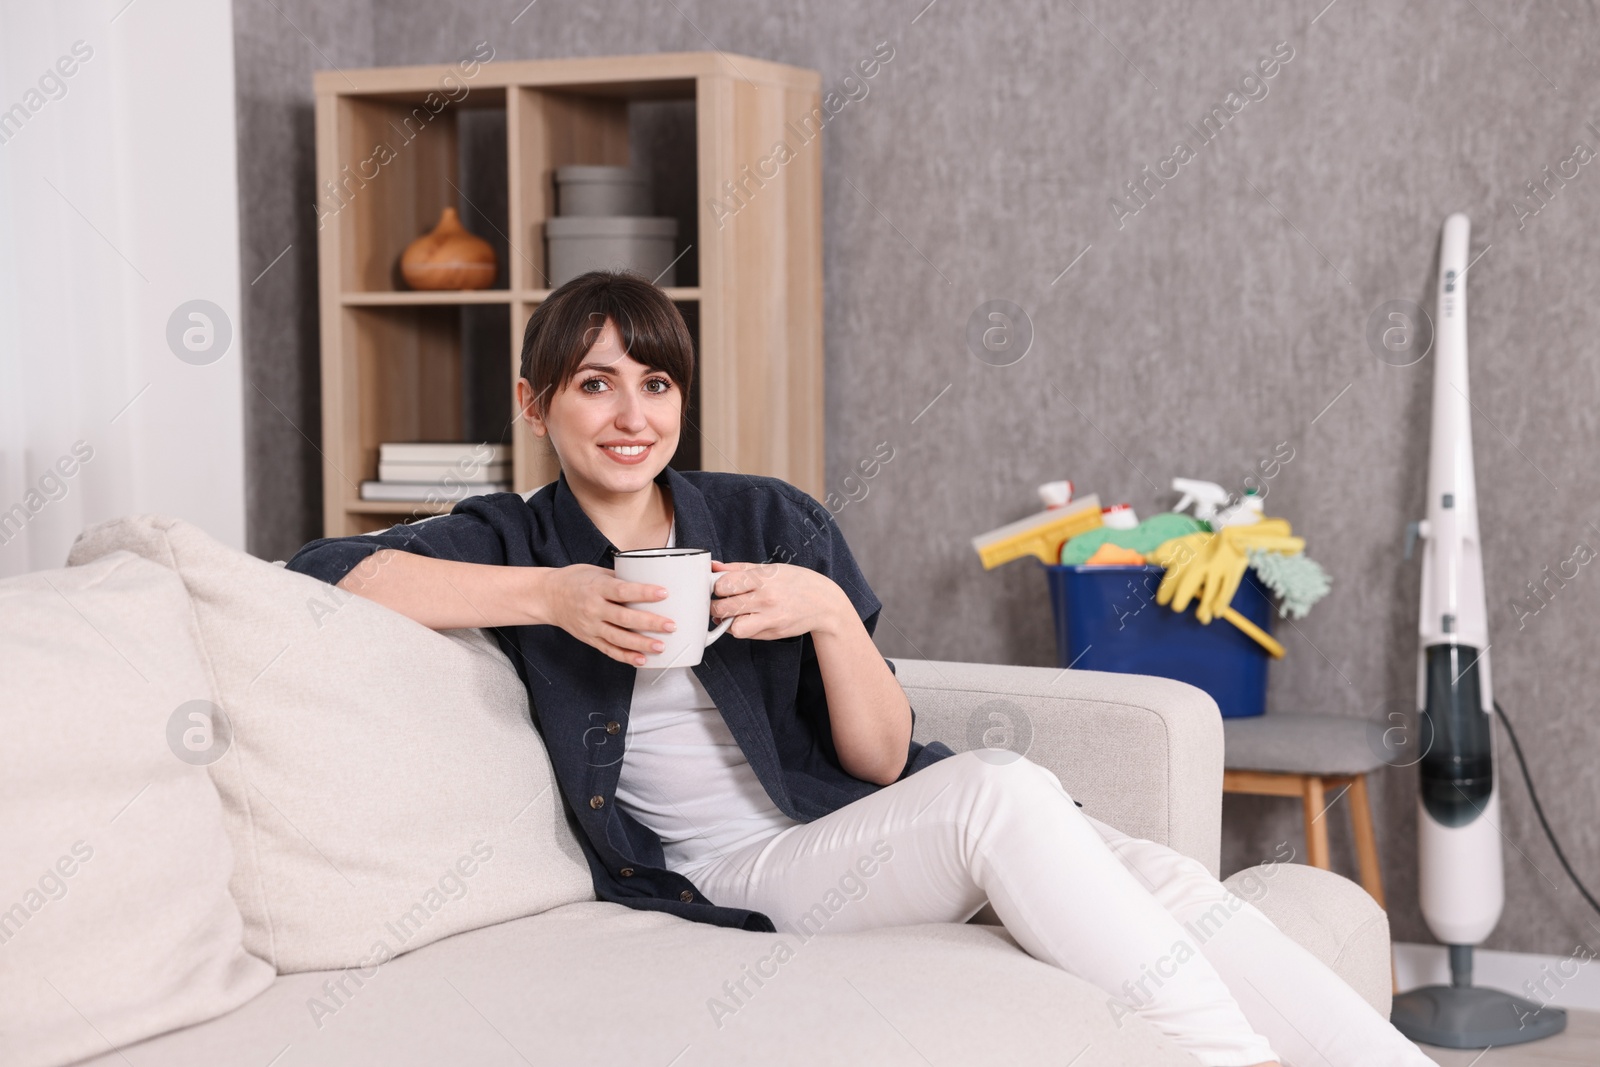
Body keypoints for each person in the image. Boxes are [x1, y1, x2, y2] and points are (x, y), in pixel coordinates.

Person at [285, 271, 1436, 1067]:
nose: (629, 413)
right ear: (536, 404)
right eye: (593, 383)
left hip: (849, 828)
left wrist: (829, 613)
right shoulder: (513, 537)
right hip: (725, 877)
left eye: (655, 383)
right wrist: (553, 596)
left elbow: (881, 757)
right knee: (999, 786)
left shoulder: (767, 516)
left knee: (1165, 878)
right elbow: (328, 571)